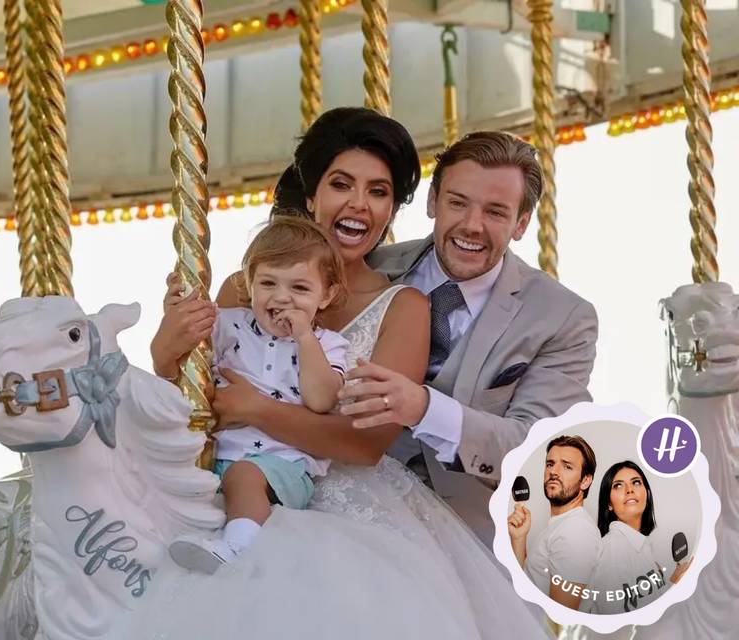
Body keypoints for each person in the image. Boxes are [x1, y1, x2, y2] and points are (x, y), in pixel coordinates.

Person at [139, 107, 552, 640]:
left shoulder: (401, 305)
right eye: (341, 184)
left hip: (347, 502)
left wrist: (259, 410)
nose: (359, 204)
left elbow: (365, 444)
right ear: (310, 194)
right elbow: (197, 403)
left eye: (378, 192)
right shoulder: (246, 289)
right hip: (230, 482)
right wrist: (166, 350)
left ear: (392, 210)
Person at [338, 131, 599, 543]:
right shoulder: (367, 268)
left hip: (467, 534)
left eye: (496, 212)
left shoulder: (562, 317)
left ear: (522, 223)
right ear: (432, 202)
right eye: (457, 203)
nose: (472, 226)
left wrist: (424, 408)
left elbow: (541, 451)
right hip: (349, 516)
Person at [157, 217, 351, 573]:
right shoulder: (226, 324)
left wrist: (305, 338)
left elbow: (322, 400)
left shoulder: (328, 346)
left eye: (300, 288)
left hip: (282, 466)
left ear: (327, 295)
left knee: (244, 476)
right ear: (248, 283)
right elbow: (176, 368)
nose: (281, 297)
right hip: (215, 456)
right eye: (267, 283)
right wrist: (176, 314)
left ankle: (238, 549)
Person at [582, 460, 693, 615]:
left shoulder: (641, 545)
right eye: (618, 485)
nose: (629, 490)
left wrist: (673, 580)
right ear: (609, 504)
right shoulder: (614, 548)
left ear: (646, 493)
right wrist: (674, 588)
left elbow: (646, 604)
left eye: (636, 482)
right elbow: (622, 624)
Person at [507, 435, 602, 610]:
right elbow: (531, 580)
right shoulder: (561, 525)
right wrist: (519, 539)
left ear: (585, 481)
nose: (554, 472)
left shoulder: (576, 531)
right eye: (550, 464)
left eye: (567, 466)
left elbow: (558, 616)